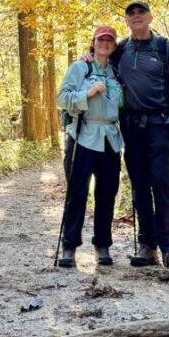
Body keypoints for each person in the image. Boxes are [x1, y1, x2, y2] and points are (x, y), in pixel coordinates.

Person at [112, 0, 169, 269]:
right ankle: (147, 245)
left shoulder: (164, 47)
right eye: (131, 14)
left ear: (149, 17)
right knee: (139, 185)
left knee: (160, 181)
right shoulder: (120, 50)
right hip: (130, 126)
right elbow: (100, 63)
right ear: (126, 20)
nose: (136, 17)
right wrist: (86, 57)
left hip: (158, 123)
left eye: (141, 12)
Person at [56, 25, 124, 268]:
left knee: (107, 193)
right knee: (77, 193)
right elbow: (62, 99)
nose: (105, 44)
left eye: (109, 41)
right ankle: (69, 246)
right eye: (100, 40)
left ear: (114, 46)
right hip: (83, 136)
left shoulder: (117, 72)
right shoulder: (80, 67)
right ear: (93, 43)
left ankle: (102, 245)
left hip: (111, 139)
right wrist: (88, 92)